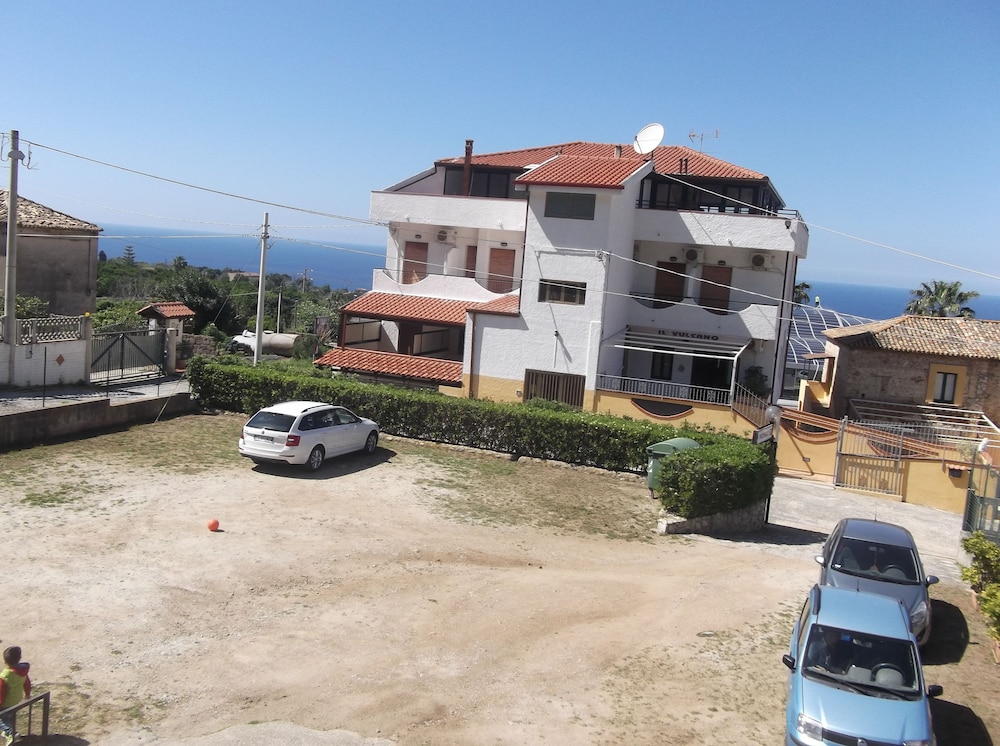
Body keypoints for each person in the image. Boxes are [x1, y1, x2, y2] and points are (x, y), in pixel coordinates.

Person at [0, 647, 31, 746]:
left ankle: (11, 733)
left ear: (5, 661)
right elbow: (27, 682)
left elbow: (1, 692)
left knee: (2, 718)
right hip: (16, 700)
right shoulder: (23, 671)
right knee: (10, 716)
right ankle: (9, 730)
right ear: (20, 657)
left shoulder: (5, 676)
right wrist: (27, 693)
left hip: (5, 703)